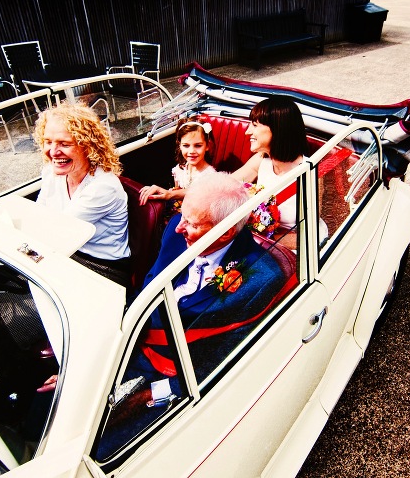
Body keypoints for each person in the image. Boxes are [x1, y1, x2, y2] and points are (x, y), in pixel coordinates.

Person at [96, 174, 291, 455]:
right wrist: (102, 359)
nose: (179, 227)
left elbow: (219, 362)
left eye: (193, 223)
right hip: (138, 345)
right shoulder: (177, 228)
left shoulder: (258, 279)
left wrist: (151, 394)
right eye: (183, 215)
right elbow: (148, 291)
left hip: (184, 375)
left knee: (110, 451)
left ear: (224, 232)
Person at [34, 103, 130, 284]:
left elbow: (59, 232)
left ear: (87, 146)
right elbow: (40, 214)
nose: (53, 152)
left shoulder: (103, 187)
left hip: (102, 268)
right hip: (67, 254)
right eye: (48, 142)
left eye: (64, 143)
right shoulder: (51, 172)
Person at [232, 95, 309, 237]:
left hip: (296, 249)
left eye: (254, 125)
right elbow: (225, 185)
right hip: (261, 240)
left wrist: (261, 240)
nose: (247, 131)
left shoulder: (310, 173)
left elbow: (308, 236)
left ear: (278, 129)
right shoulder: (261, 160)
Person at [138, 119, 215, 206]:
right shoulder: (181, 168)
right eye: (186, 145)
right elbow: (177, 189)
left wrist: (169, 195)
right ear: (180, 146)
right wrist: (160, 193)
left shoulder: (210, 176)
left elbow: (198, 196)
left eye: (198, 145)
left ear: (207, 145)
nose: (191, 151)